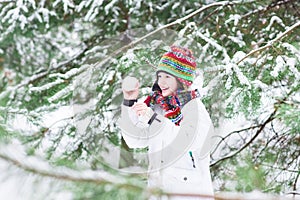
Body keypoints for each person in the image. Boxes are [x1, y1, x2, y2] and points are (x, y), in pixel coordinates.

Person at [119, 46, 215, 200]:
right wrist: (129, 103)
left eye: (168, 77)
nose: (161, 82)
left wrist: (152, 119)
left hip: (189, 193)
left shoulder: (193, 107)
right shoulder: (156, 103)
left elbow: (188, 141)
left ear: (181, 80)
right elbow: (134, 140)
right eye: (160, 76)